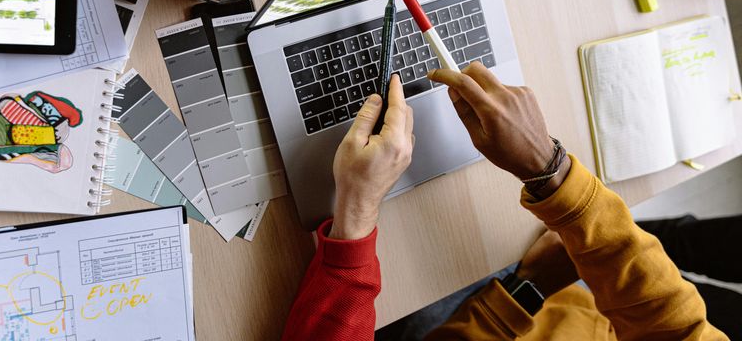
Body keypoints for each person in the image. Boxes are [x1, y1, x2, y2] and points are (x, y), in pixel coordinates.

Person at [281, 63, 727, 340]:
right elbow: (673, 320)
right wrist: (549, 169)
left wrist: (356, 209)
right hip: (557, 298)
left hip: (483, 318)